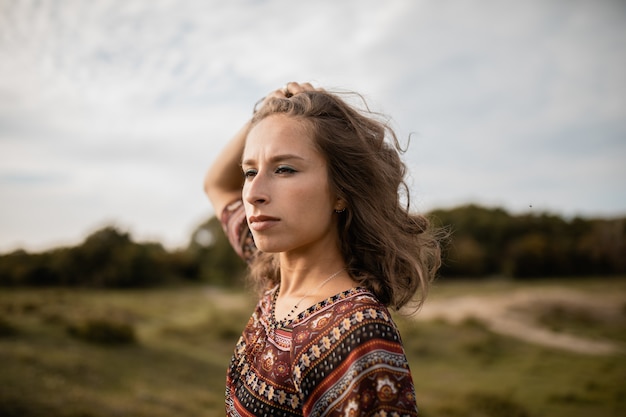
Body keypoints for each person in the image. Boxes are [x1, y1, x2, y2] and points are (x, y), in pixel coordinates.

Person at [204, 82, 441, 417]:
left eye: (284, 169)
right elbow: (215, 184)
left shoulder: (358, 332)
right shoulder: (274, 267)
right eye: (249, 171)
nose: (254, 193)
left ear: (341, 191)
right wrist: (263, 116)